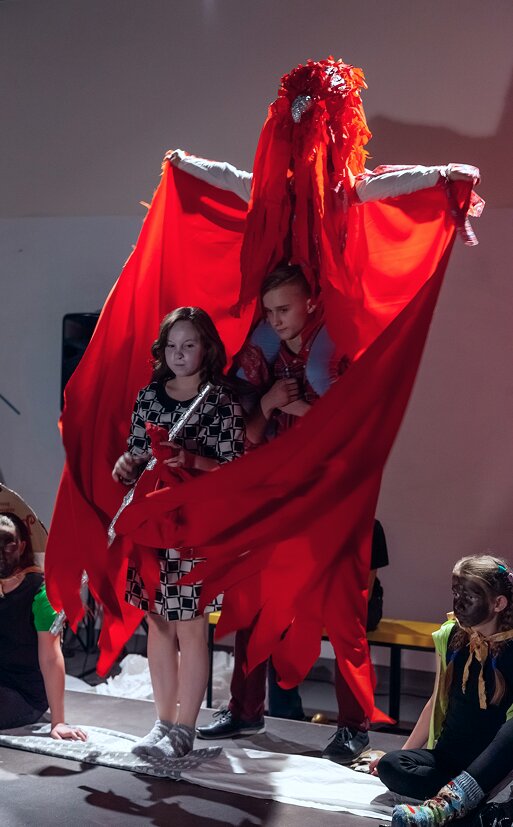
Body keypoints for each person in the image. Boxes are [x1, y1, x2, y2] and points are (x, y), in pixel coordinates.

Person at [197, 265, 384, 760]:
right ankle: (244, 709)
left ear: (311, 302)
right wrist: (270, 403)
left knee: (343, 614)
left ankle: (353, 726)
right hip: (275, 495)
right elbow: (248, 433)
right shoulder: (264, 352)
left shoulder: (340, 344)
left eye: (285, 308)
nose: (276, 319)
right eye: (270, 311)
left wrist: (300, 411)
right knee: (251, 601)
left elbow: (358, 426)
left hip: (333, 499)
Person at [112, 307, 245, 759]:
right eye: (171, 345)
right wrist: (124, 467)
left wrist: (190, 462)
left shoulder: (221, 402)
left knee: (191, 627)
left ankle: (186, 728)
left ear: (206, 347)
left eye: (189, 345)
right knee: (157, 621)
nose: (179, 354)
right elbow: (133, 460)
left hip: (195, 528)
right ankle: (162, 722)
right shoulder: (148, 396)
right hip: (153, 527)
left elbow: (236, 473)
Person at [371, 555, 513, 826]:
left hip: (488, 762)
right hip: (448, 756)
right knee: (391, 765)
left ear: (499, 603)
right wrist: (401, 752)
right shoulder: (453, 637)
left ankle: (456, 800)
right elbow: (437, 699)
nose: (458, 604)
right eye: (455, 593)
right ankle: (463, 801)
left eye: (469, 596)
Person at [0, 512, 86, 740]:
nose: (0, 553)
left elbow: (50, 656)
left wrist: (58, 722)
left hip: (23, 694)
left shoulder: (41, 592)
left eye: (8, 544)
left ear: (22, 546)